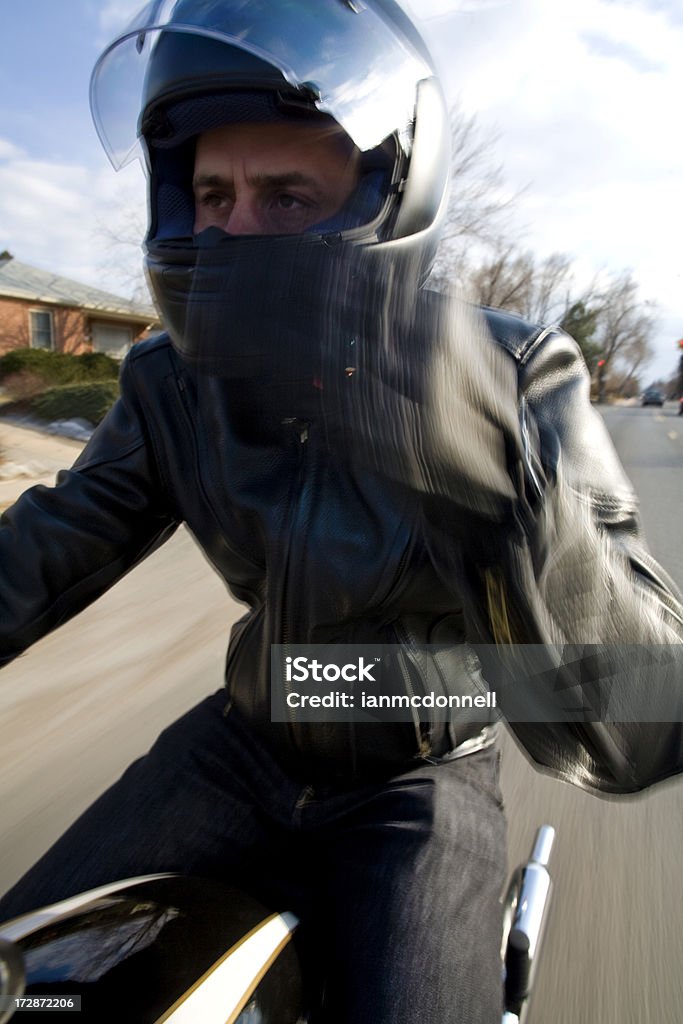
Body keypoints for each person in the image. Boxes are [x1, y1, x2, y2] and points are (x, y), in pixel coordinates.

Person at [1, 2, 682, 1021]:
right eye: (212, 194)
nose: (233, 231)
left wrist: (499, 472)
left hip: (418, 778)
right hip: (243, 740)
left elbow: (645, 712)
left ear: (380, 200)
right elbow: (49, 545)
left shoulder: (512, 372)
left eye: (284, 195)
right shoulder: (171, 378)